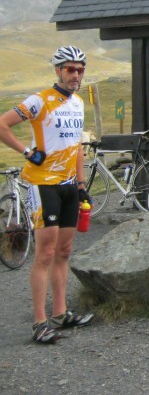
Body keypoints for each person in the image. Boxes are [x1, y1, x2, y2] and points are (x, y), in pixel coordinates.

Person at [0, 46, 94, 344]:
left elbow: (77, 147)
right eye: (70, 69)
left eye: (80, 70)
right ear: (58, 70)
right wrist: (27, 152)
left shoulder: (78, 103)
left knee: (65, 251)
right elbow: (3, 125)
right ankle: (39, 321)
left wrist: (81, 185)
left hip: (68, 185)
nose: (75, 75)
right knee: (46, 253)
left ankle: (60, 312)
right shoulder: (39, 100)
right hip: (42, 184)